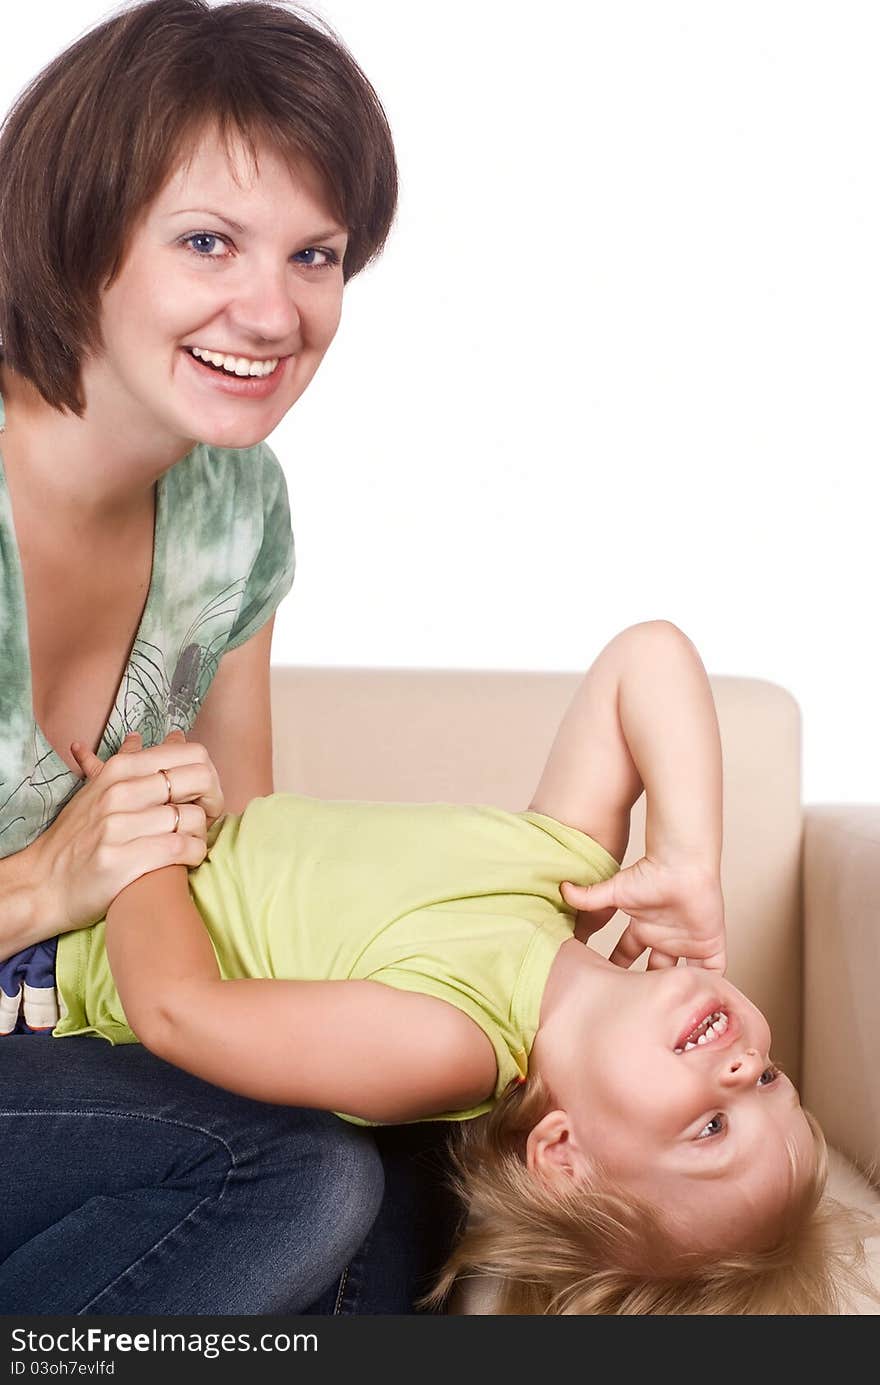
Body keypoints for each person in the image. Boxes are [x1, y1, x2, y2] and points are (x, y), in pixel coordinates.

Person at [0, 0, 450, 1315]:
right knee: (286, 1172)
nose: (274, 311)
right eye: (209, 242)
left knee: (409, 1168)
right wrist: (44, 884)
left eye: (316, 255)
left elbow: (238, 861)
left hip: (67, 1058)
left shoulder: (236, 507)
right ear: (81, 236)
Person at [50, 621, 876, 1314]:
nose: (740, 1063)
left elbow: (177, 1007)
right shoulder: (559, 867)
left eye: (711, 1128)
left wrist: (141, 834)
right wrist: (688, 855)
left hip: (72, 960)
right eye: (769, 1079)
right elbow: (646, 658)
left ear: (562, 1154)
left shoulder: (452, 1042)